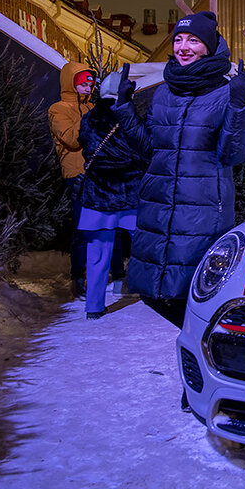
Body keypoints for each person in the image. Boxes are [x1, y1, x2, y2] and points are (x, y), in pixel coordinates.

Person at [113, 10, 245, 328]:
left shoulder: (223, 93)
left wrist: (238, 105)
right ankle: (201, 345)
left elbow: (231, 154)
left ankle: (210, 354)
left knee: (193, 294)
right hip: (158, 209)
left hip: (200, 211)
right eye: (178, 39)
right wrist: (124, 109)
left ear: (210, 46)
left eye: (193, 40)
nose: (183, 46)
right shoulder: (164, 92)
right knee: (152, 293)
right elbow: (149, 149)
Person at [77, 68, 149, 319]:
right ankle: (150, 297)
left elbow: (83, 145)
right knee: (143, 248)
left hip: (98, 195)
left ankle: (94, 306)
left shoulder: (89, 119)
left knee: (97, 255)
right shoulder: (128, 117)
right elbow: (140, 149)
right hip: (129, 194)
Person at [48, 61, 95, 298]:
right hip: (77, 176)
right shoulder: (58, 109)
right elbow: (72, 139)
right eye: (84, 81)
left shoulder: (91, 108)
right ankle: (78, 278)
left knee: (106, 228)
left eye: (91, 81)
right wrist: (91, 116)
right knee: (81, 229)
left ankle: (104, 274)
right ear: (72, 84)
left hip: (98, 174)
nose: (90, 85)